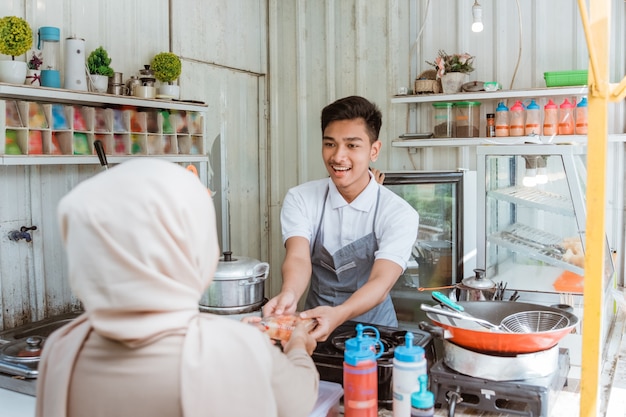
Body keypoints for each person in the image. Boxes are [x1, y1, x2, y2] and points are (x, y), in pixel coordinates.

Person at [35, 159, 319, 417]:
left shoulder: (62, 348)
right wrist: (297, 346)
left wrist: (238, 336)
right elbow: (300, 399)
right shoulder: (236, 349)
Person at [264, 95, 419, 341]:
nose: (338, 156)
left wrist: (339, 314)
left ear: (374, 150)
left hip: (375, 332)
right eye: (330, 144)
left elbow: (382, 281)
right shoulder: (301, 198)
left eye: (352, 145)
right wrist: (289, 294)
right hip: (313, 325)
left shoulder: (398, 213)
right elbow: (298, 257)